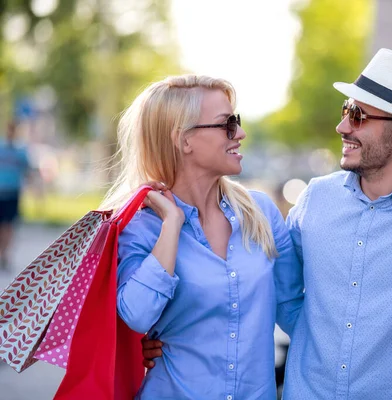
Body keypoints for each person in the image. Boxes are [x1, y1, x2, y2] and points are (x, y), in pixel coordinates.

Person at [142, 49, 392, 399]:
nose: (342, 127)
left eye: (357, 116)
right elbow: (271, 289)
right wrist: (169, 335)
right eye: (346, 110)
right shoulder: (316, 197)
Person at [103, 74, 304, 399]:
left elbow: (296, 312)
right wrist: (172, 225)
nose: (240, 133)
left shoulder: (262, 214)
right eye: (227, 124)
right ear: (184, 140)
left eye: (236, 122)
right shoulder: (140, 226)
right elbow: (137, 316)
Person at [0, 120, 31, 270]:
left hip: (13, 192)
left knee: (9, 225)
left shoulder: (21, 152)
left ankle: (5, 254)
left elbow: (28, 171)